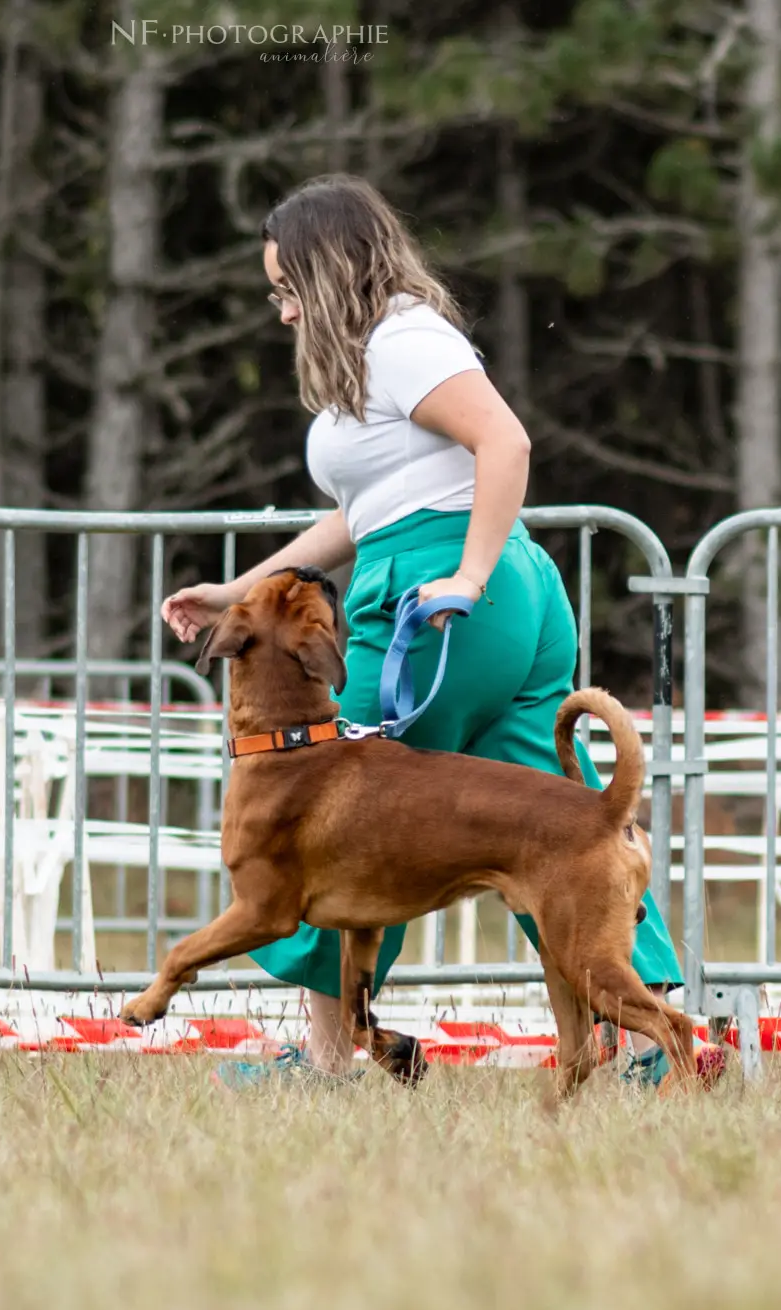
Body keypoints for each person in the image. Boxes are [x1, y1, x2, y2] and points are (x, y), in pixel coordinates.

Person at [160, 174, 696, 1091]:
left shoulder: (403, 341)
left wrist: (466, 577)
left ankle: (327, 1061)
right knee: (561, 821)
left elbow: (508, 444)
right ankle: (651, 1040)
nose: (283, 312)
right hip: (501, 591)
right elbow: (361, 514)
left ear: (331, 272)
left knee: (341, 816)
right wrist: (239, 592)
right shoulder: (385, 354)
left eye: (288, 290)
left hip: (438, 592)